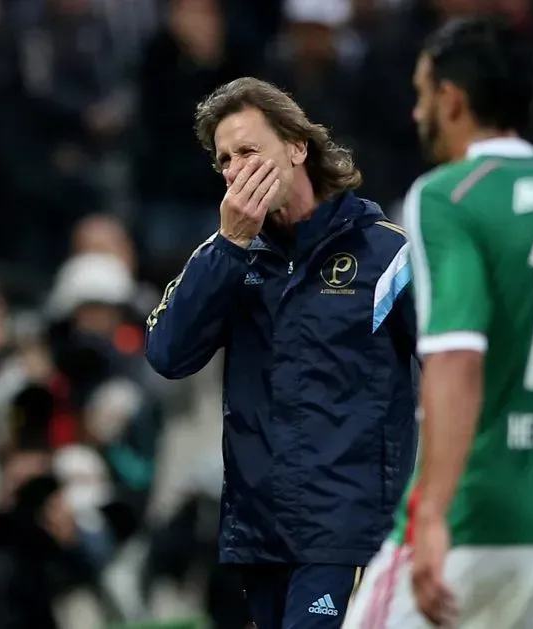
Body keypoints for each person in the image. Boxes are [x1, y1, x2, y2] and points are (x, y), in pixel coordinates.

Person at [343, 16, 533, 629]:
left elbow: (455, 357)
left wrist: (434, 515)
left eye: (422, 96)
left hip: (483, 514)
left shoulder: (449, 194)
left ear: (452, 100)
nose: (417, 114)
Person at [145, 77, 419, 629]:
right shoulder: (226, 255)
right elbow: (167, 353)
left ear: (297, 147)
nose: (235, 169)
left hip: (347, 529)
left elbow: (447, 363)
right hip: (260, 533)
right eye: (224, 160)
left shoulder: (386, 253)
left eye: (248, 150)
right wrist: (228, 248)